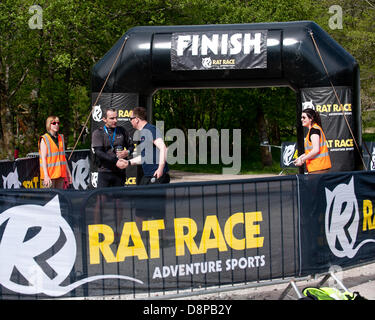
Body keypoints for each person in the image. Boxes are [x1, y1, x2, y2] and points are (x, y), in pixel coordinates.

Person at [124, 106, 170, 234]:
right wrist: (128, 162)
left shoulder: (150, 129)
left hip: (157, 175)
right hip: (148, 175)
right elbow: (145, 157)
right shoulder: (144, 133)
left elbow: (163, 148)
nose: (130, 121)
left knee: (157, 209)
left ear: (137, 119)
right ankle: (137, 237)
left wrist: (160, 168)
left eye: (131, 118)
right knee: (140, 207)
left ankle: (162, 238)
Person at [91, 107, 134, 188]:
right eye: (112, 118)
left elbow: (131, 146)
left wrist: (127, 152)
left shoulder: (122, 130)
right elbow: (99, 152)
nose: (115, 120)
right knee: (102, 200)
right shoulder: (98, 133)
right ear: (104, 119)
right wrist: (115, 161)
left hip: (119, 172)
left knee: (119, 199)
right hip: (104, 172)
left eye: (116, 118)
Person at [294, 108, 332, 174]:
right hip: (319, 167)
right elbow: (311, 150)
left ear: (311, 119)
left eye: (304, 117)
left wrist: (302, 160)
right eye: (301, 117)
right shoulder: (314, 129)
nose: (301, 119)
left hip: (318, 168)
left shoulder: (314, 130)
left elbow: (316, 150)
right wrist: (300, 157)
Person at [39, 116, 73, 189]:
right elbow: (43, 159)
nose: (56, 125)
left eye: (58, 123)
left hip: (60, 174)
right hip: (49, 175)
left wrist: (68, 173)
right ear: (49, 125)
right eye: (54, 123)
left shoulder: (61, 138)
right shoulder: (44, 139)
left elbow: (63, 157)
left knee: (58, 197)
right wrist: (46, 176)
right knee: (49, 198)